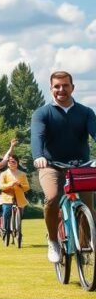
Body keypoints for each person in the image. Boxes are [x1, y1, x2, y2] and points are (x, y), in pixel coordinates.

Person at [30, 71, 96, 263]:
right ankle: (53, 240)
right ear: (51, 89)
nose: (61, 90)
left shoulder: (85, 112)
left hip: (81, 166)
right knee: (52, 198)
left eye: (65, 85)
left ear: (72, 87)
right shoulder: (42, 113)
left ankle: (85, 243)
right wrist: (38, 156)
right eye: (57, 86)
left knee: (88, 207)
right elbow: (37, 137)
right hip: (51, 165)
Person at [0, 154, 30, 238]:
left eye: (13, 162)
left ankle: (18, 230)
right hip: (7, 197)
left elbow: (27, 187)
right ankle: (5, 229)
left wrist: (20, 185)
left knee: (20, 214)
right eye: (9, 162)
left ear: (17, 163)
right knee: (6, 211)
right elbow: (1, 186)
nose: (11, 163)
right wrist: (10, 184)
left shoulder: (22, 174)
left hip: (19, 197)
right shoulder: (3, 174)